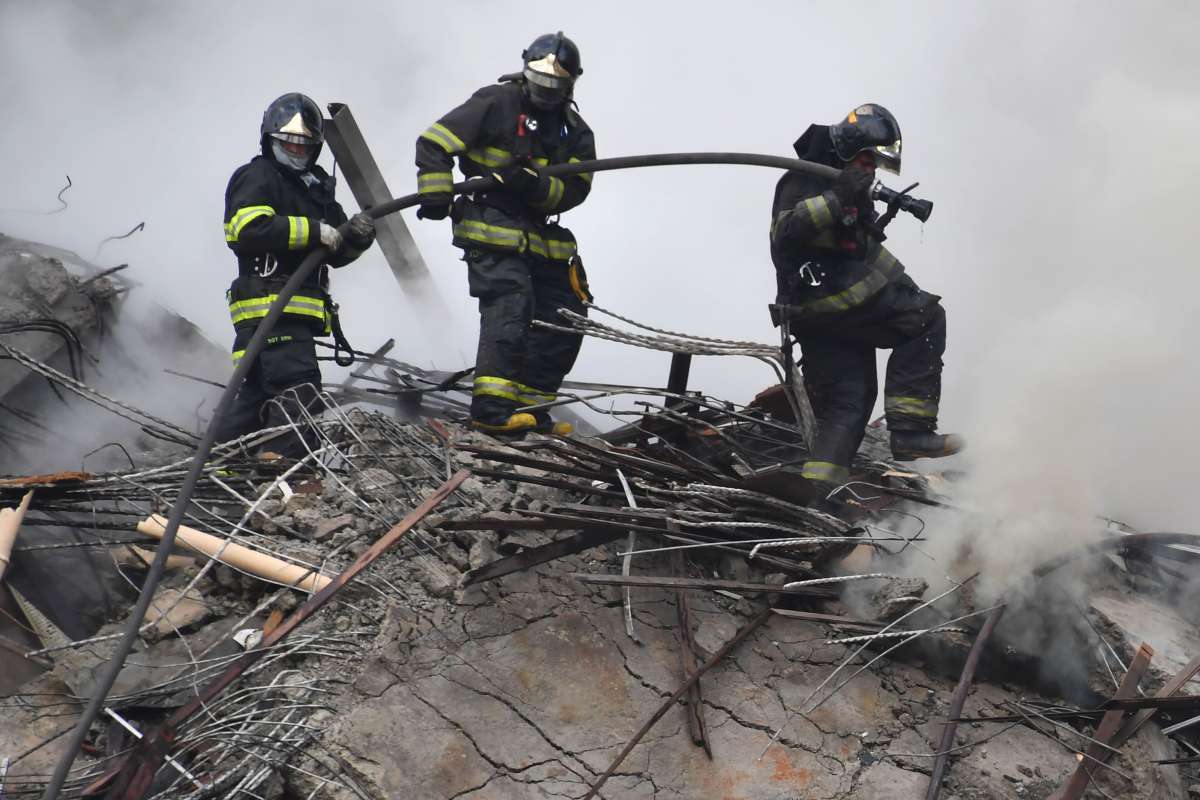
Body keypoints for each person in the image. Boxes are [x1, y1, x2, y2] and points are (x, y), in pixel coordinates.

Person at [769, 103, 964, 496]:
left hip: (823, 316)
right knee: (926, 317)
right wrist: (838, 196)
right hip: (828, 300)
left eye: (875, 164)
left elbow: (859, 250)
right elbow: (786, 234)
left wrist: (869, 215)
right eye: (867, 159)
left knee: (850, 401)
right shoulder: (807, 176)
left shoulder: (848, 186)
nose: (871, 169)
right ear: (848, 148)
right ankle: (910, 432)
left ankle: (817, 495)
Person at [415, 32, 596, 436]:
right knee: (511, 305)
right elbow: (434, 142)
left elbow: (577, 189)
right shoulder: (495, 103)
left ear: (571, 84)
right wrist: (435, 192)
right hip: (491, 225)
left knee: (566, 315)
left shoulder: (575, 132)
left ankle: (531, 410)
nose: (545, 92)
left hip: (540, 235)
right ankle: (492, 411)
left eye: (555, 86)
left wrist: (535, 187)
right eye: (539, 82)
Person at [216, 92, 375, 456]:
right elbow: (246, 230)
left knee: (257, 399)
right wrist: (312, 231)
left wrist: (359, 237)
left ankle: (222, 463)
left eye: (304, 145)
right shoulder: (258, 176)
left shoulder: (315, 186)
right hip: (270, 308)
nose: (296, 150)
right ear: (270, 140)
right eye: (288, 143)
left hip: (292, 315)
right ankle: (285, 467)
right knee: (298, 392)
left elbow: (336, 248)